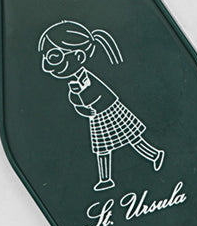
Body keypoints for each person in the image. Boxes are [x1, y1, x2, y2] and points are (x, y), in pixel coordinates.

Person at [38, 20, 164, 191]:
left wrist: (82, 98)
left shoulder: (86, 78)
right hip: (97, 116)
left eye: (54, 57)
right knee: (102, 148)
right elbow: (75, 100)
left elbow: (97, 94)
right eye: (45, 57)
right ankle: (106, 179)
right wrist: (81, 107)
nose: (46, 66)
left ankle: (154, 155)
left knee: (132, 137)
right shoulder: (75, 82)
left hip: (110, 111)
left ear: (79, 57)